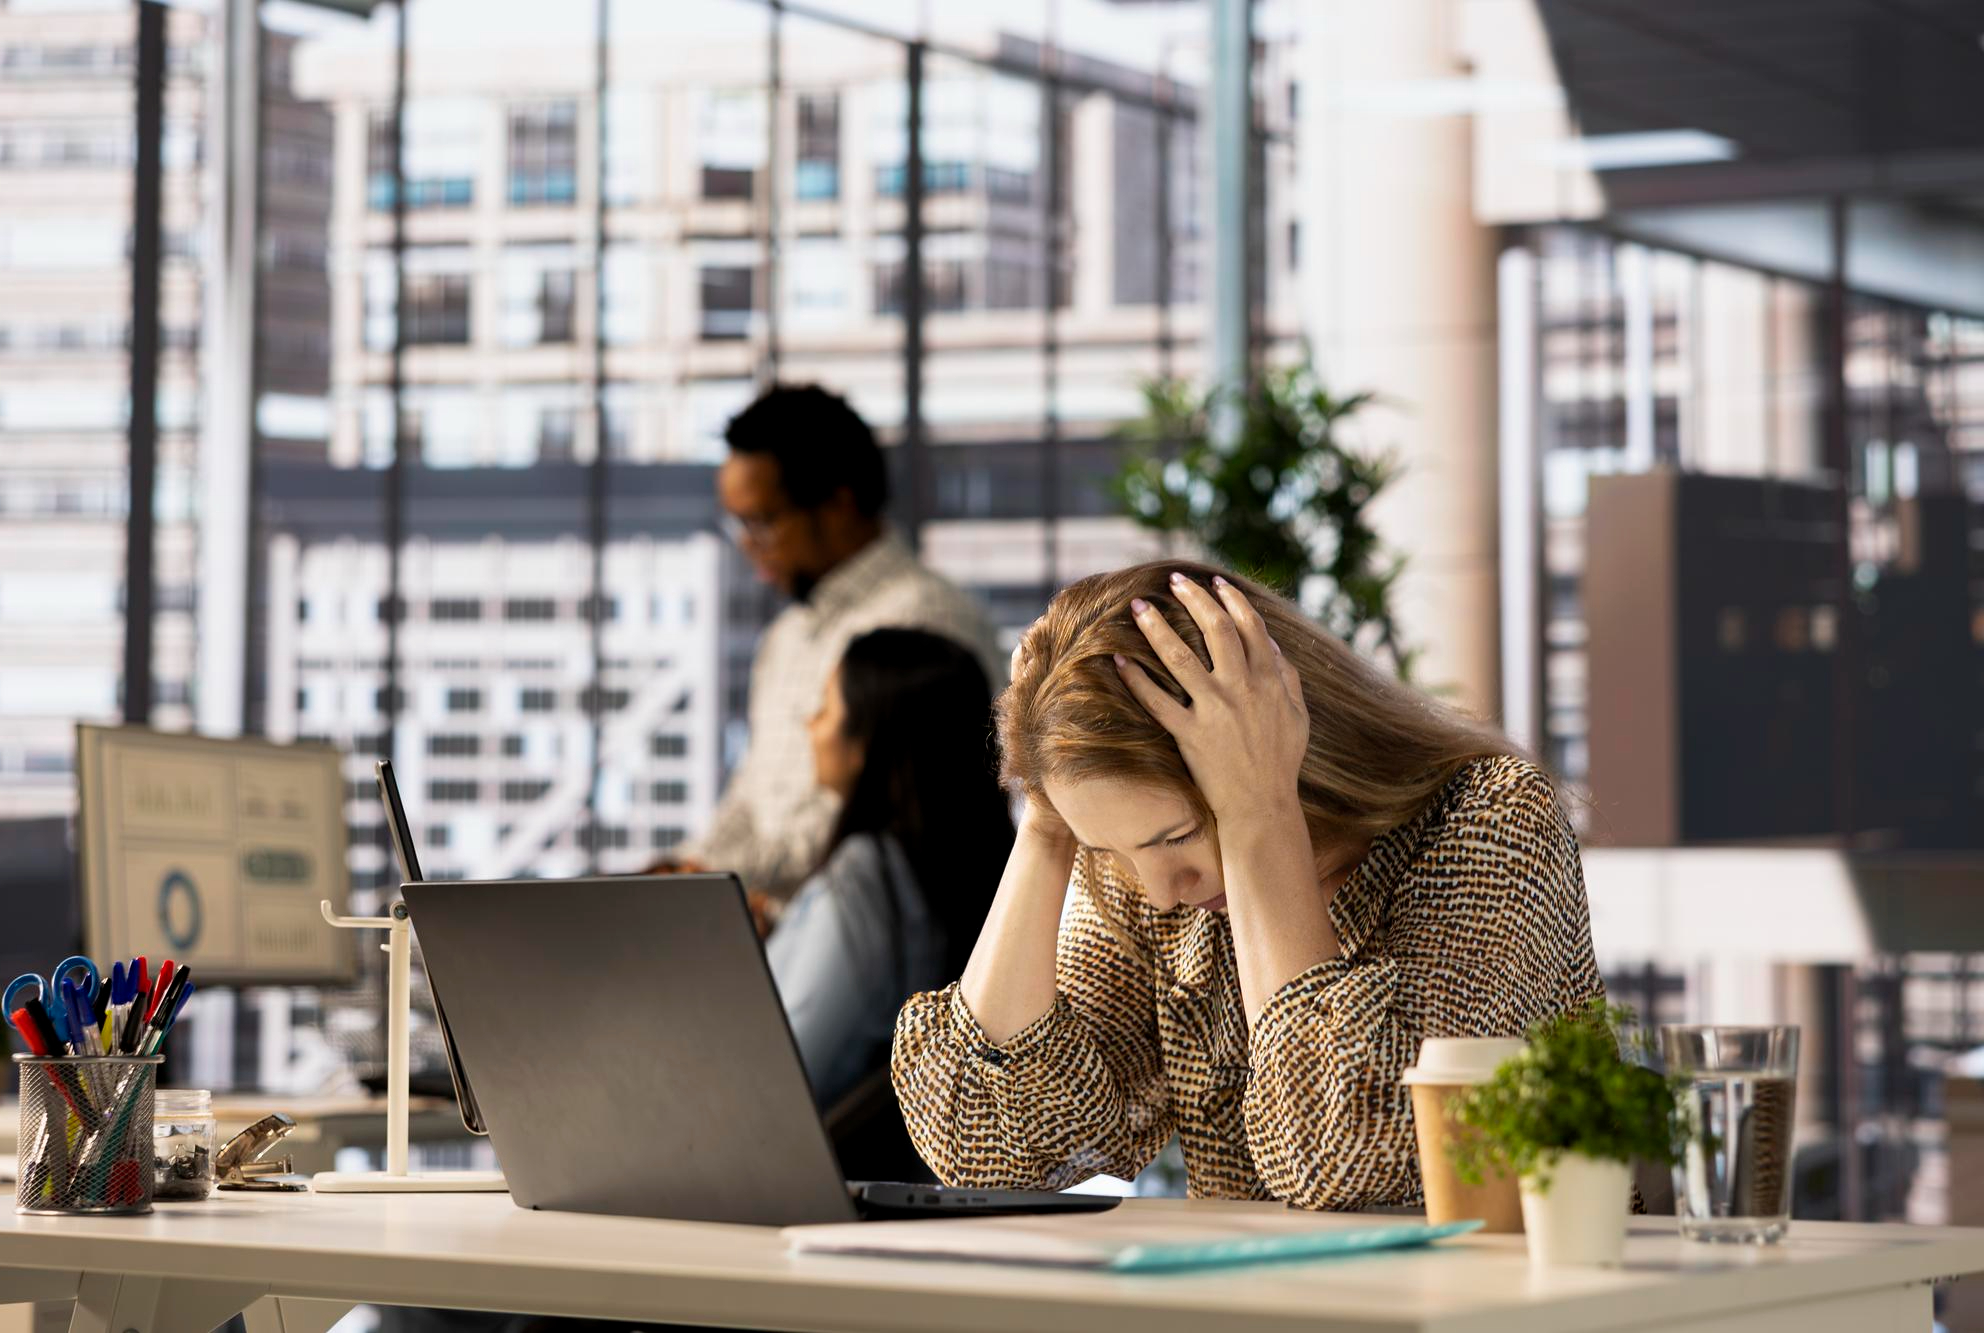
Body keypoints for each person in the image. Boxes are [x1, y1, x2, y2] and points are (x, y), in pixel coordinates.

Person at [890, 560, 1607, 1211]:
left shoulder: (1491, 817)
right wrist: (1050, 819)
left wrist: (1260, 809)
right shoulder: (1155, 888)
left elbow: (1342, 1156)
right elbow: (989, 1152)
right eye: (1113, 850)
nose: (1162, 890)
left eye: (1175, 838)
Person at [680, 384, 1001, 901]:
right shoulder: (787, 636)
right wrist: (689, 867)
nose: (745, 543)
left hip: (868, 943)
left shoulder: (922, 625)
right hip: (774, 922)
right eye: (735, 522)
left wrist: (712, 880)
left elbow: (863, 823)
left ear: (838, 503)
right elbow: (752, 794)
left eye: (760, 520)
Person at [766, 628, 1013, 1109]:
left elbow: (782, 1071)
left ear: (866, 743)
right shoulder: (962, 874)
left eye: (826, 708)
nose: (811, 724)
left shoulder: (865, 878)